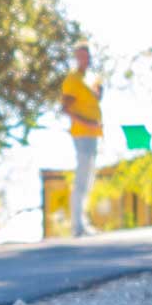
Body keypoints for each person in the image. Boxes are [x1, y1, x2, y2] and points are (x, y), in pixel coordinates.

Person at [60, 42, 103, 237]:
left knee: (89, 178)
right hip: (82, 132)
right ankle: (77, 225)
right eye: (78, 56)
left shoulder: (92, 78)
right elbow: (66, 108)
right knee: (82, 177)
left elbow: (97, 98)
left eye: (85, 55)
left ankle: (82, 222)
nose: (82, 59)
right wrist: (88, 124)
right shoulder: (72, 79)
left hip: (94, 133)